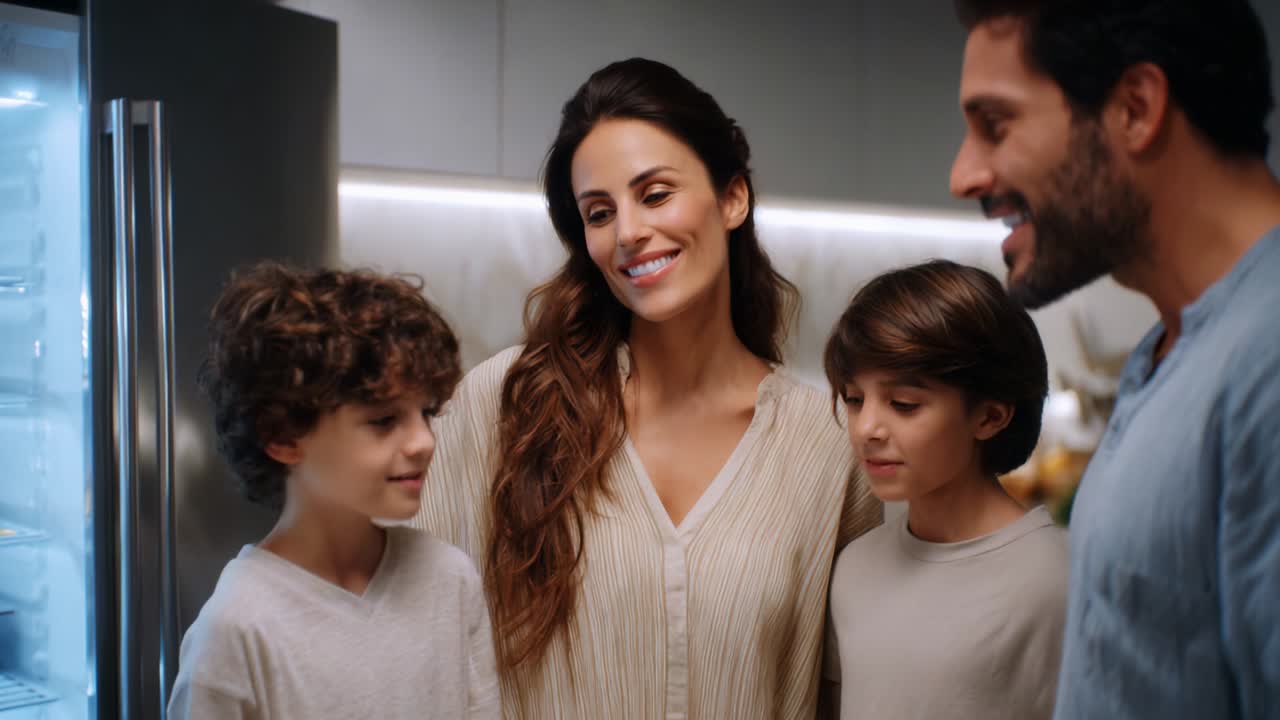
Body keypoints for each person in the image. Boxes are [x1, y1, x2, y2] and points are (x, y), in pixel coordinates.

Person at [412, 57, 881, 719]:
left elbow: (847, 691)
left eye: (655, 194)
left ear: (732, 198)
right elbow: (411, 633)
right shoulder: (506, 403)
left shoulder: (828, 448)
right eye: (599, 213)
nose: (628, 232)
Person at [950, 1, 1280, 717]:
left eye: (996, 125)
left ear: (1135, 108)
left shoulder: (1268, 364)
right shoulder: (1166, 355)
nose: (964, 175)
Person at [168, 263, 499, 719]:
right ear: (282, 435)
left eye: (426, 412)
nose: (424, 441)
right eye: (384, 420)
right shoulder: (235, 630)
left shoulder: (449, 579)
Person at [823, 259, 1066, 719]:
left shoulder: (1056, 581)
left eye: (903, 404)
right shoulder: (854, 568)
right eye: (854, 399)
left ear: (990, 416)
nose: (867, 428)